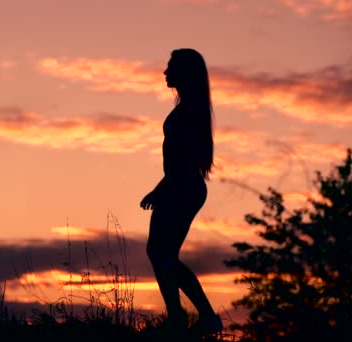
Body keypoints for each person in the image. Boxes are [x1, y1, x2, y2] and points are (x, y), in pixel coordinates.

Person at [140, 48, 223, 336]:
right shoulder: (191, 107)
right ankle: (179, 317)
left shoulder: (188, 111)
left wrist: (162, 189)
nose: (165, 72)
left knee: (161, 254)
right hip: (181, 186)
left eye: (170, 67)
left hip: (182, 187)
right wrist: (160, 188)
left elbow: (183, 162)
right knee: (162, 253)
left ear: (184, 72)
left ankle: (199, 316)